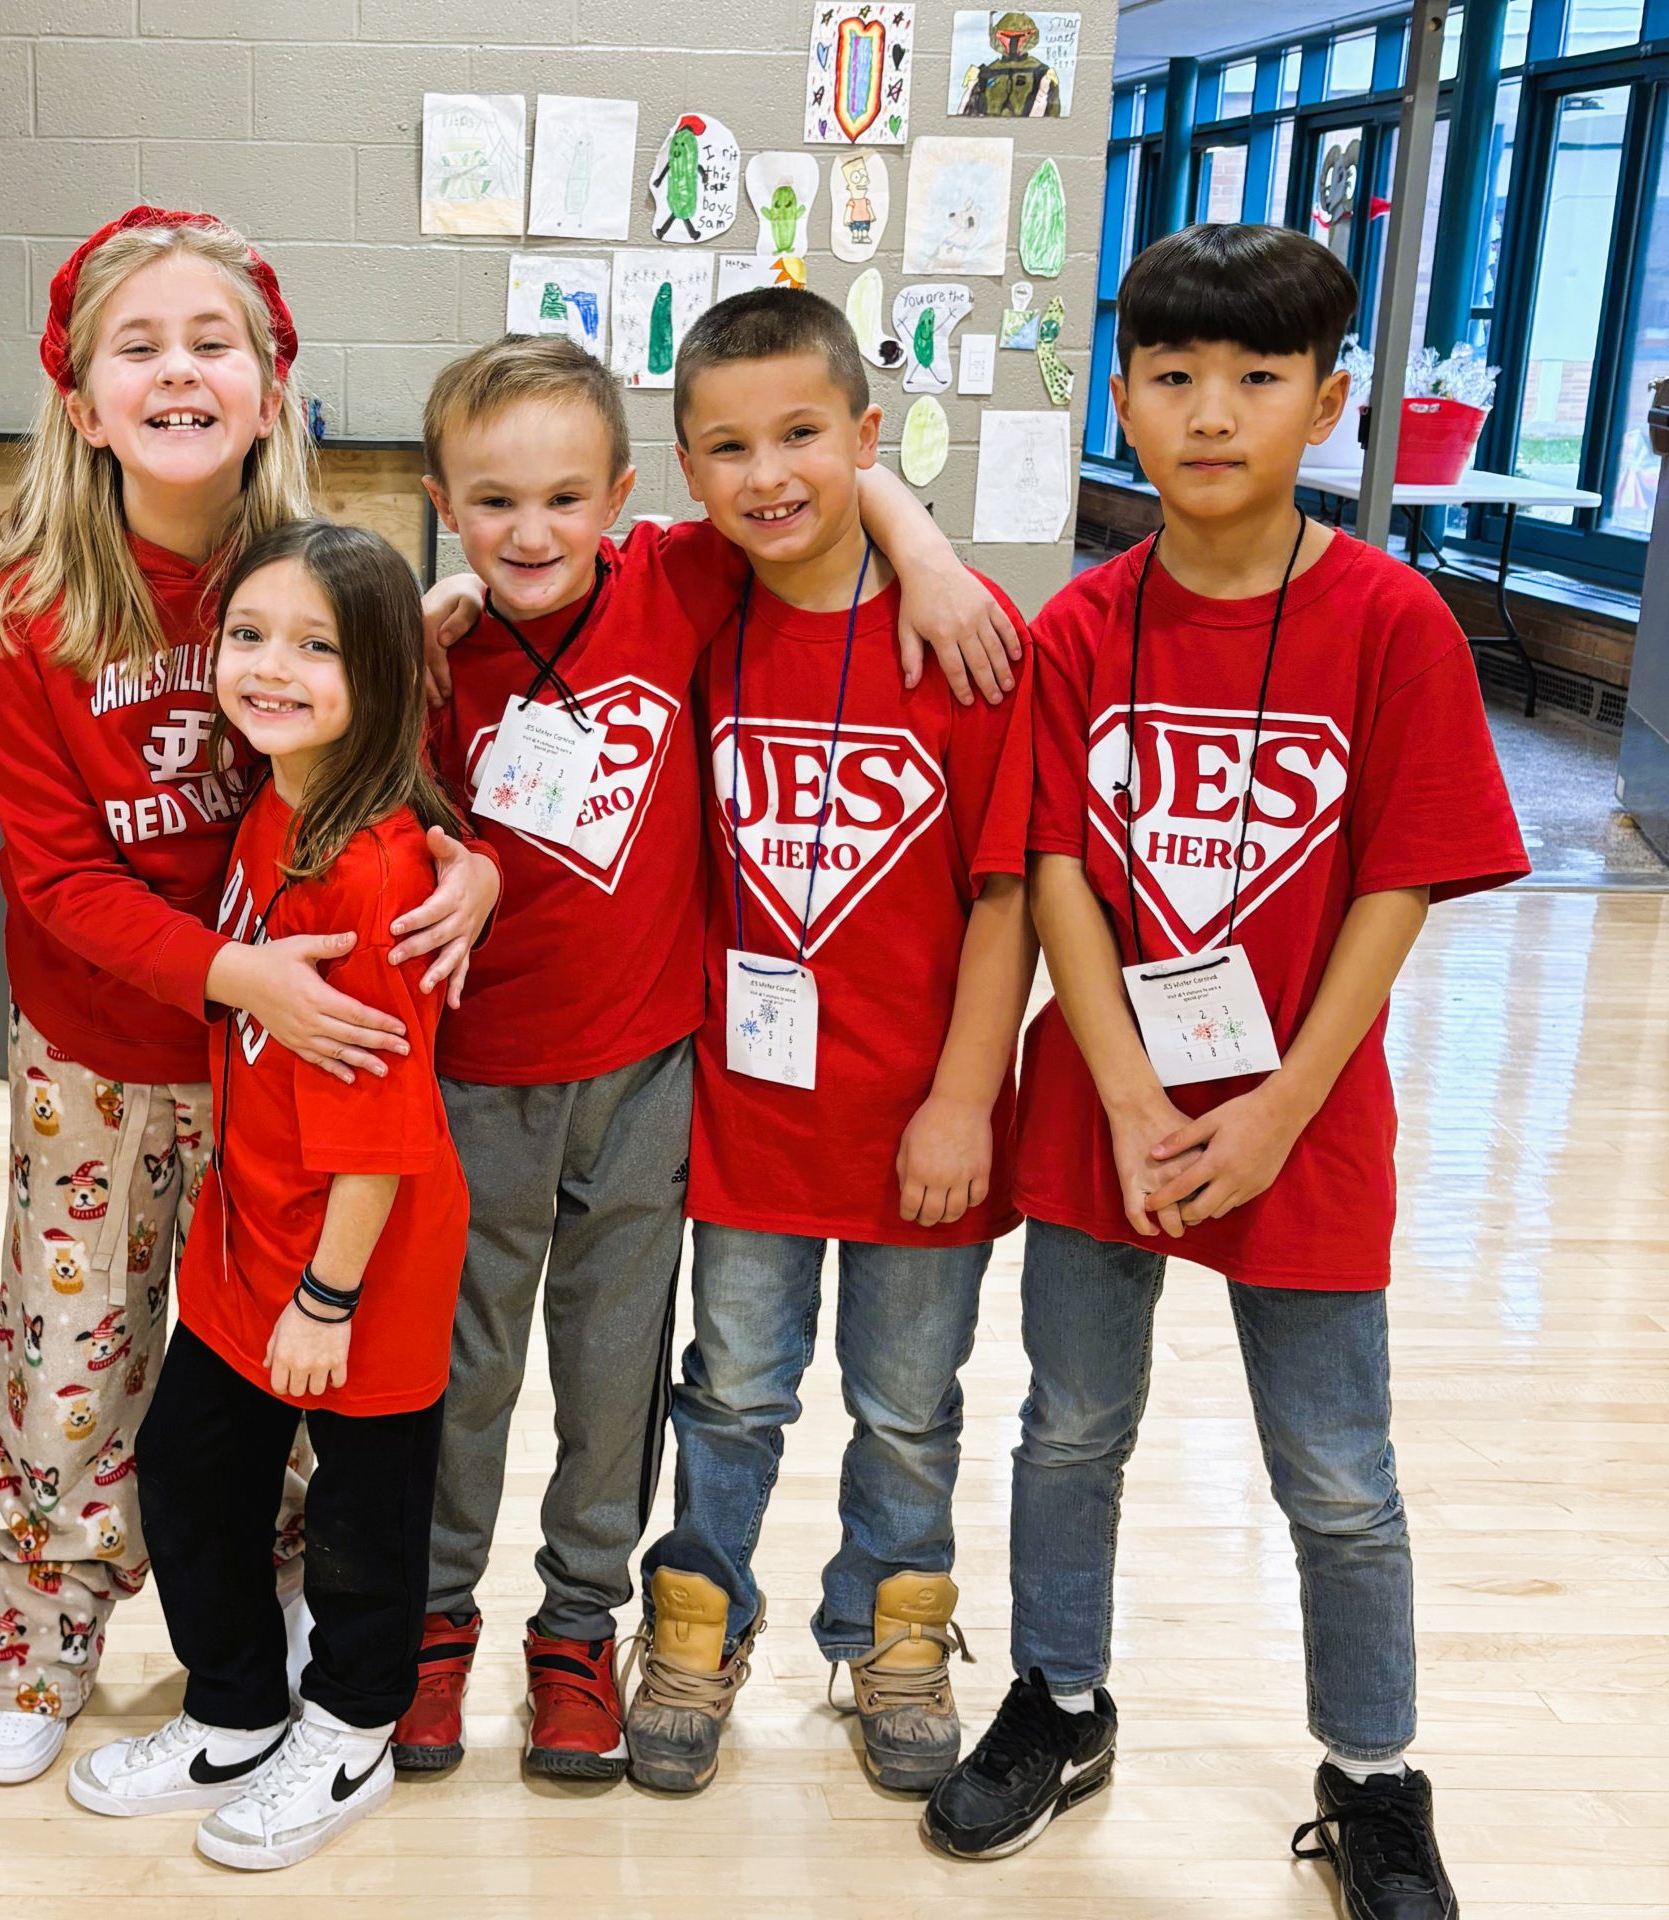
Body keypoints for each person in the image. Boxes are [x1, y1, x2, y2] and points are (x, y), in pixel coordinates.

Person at [921, 226, 1524, 1920]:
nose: (1211, 413)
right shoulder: (1081, 626)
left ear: (1330, 403)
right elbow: (1050, 869)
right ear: (1122, 396)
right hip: (1104, 1111)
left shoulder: (1395, 625)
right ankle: (1058, 1698)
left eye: (1259, 380)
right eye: (1174, 376)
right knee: (1070, 1428)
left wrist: (1273, 1110)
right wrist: (1120, 1094)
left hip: (1302, 1127)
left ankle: (1375, 1771)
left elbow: (1400, 884)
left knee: (1338, 1475)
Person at [393, 332, 1020, 1780]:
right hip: (480, 1074)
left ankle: (577, 1630)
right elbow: (384, 822)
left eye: (565, 497)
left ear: (623, 494)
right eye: (491, 504)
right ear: (440, 501)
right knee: (467, 1370)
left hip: (650, 1071)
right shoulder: (429, 645)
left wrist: (926, 548)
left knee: (619, 1378)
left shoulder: (678, 580)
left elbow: (809, 485)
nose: (530, 532)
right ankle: (433, 1623)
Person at [0, 205, 502, 1785]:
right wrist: (229, 968)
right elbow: (57, 884)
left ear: (276, 386)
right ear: (79, 398)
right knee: (75, 1362)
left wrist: (474, 862)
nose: (180, 372)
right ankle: (44, 1633)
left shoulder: (333, 579)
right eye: (140, 346)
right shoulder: (25, 605)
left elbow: (408, 782)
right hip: (107, 1054)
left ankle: (254, 1650)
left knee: (268, 1367)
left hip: (301, 1069)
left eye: (215, 344)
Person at [609, 290, 1038, 1797]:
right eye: (725, 446)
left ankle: (896, 1631)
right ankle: (697, 1628)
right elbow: (544, 569)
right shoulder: (691, 598)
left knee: (909, 1403)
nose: (766, 472)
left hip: (921, 1119)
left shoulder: (971, 639)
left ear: (869, 438)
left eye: (802, 434)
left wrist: (964, 1102)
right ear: (682, 469)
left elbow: (1006, 899)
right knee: (729, 1390)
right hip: (744, 1121)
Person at [67, 518, 470, 1871]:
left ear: (382, 679)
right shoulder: (279, 800)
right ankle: (236, 1708)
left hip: (354, 1260)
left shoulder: (374, 866)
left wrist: (329, 1296)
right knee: (189, 1467)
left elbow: (387, 1117)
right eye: (250, 636)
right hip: (255, 1235)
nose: (272, 666)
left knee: (363, 1510)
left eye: (316, 646)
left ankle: (353, 1724)